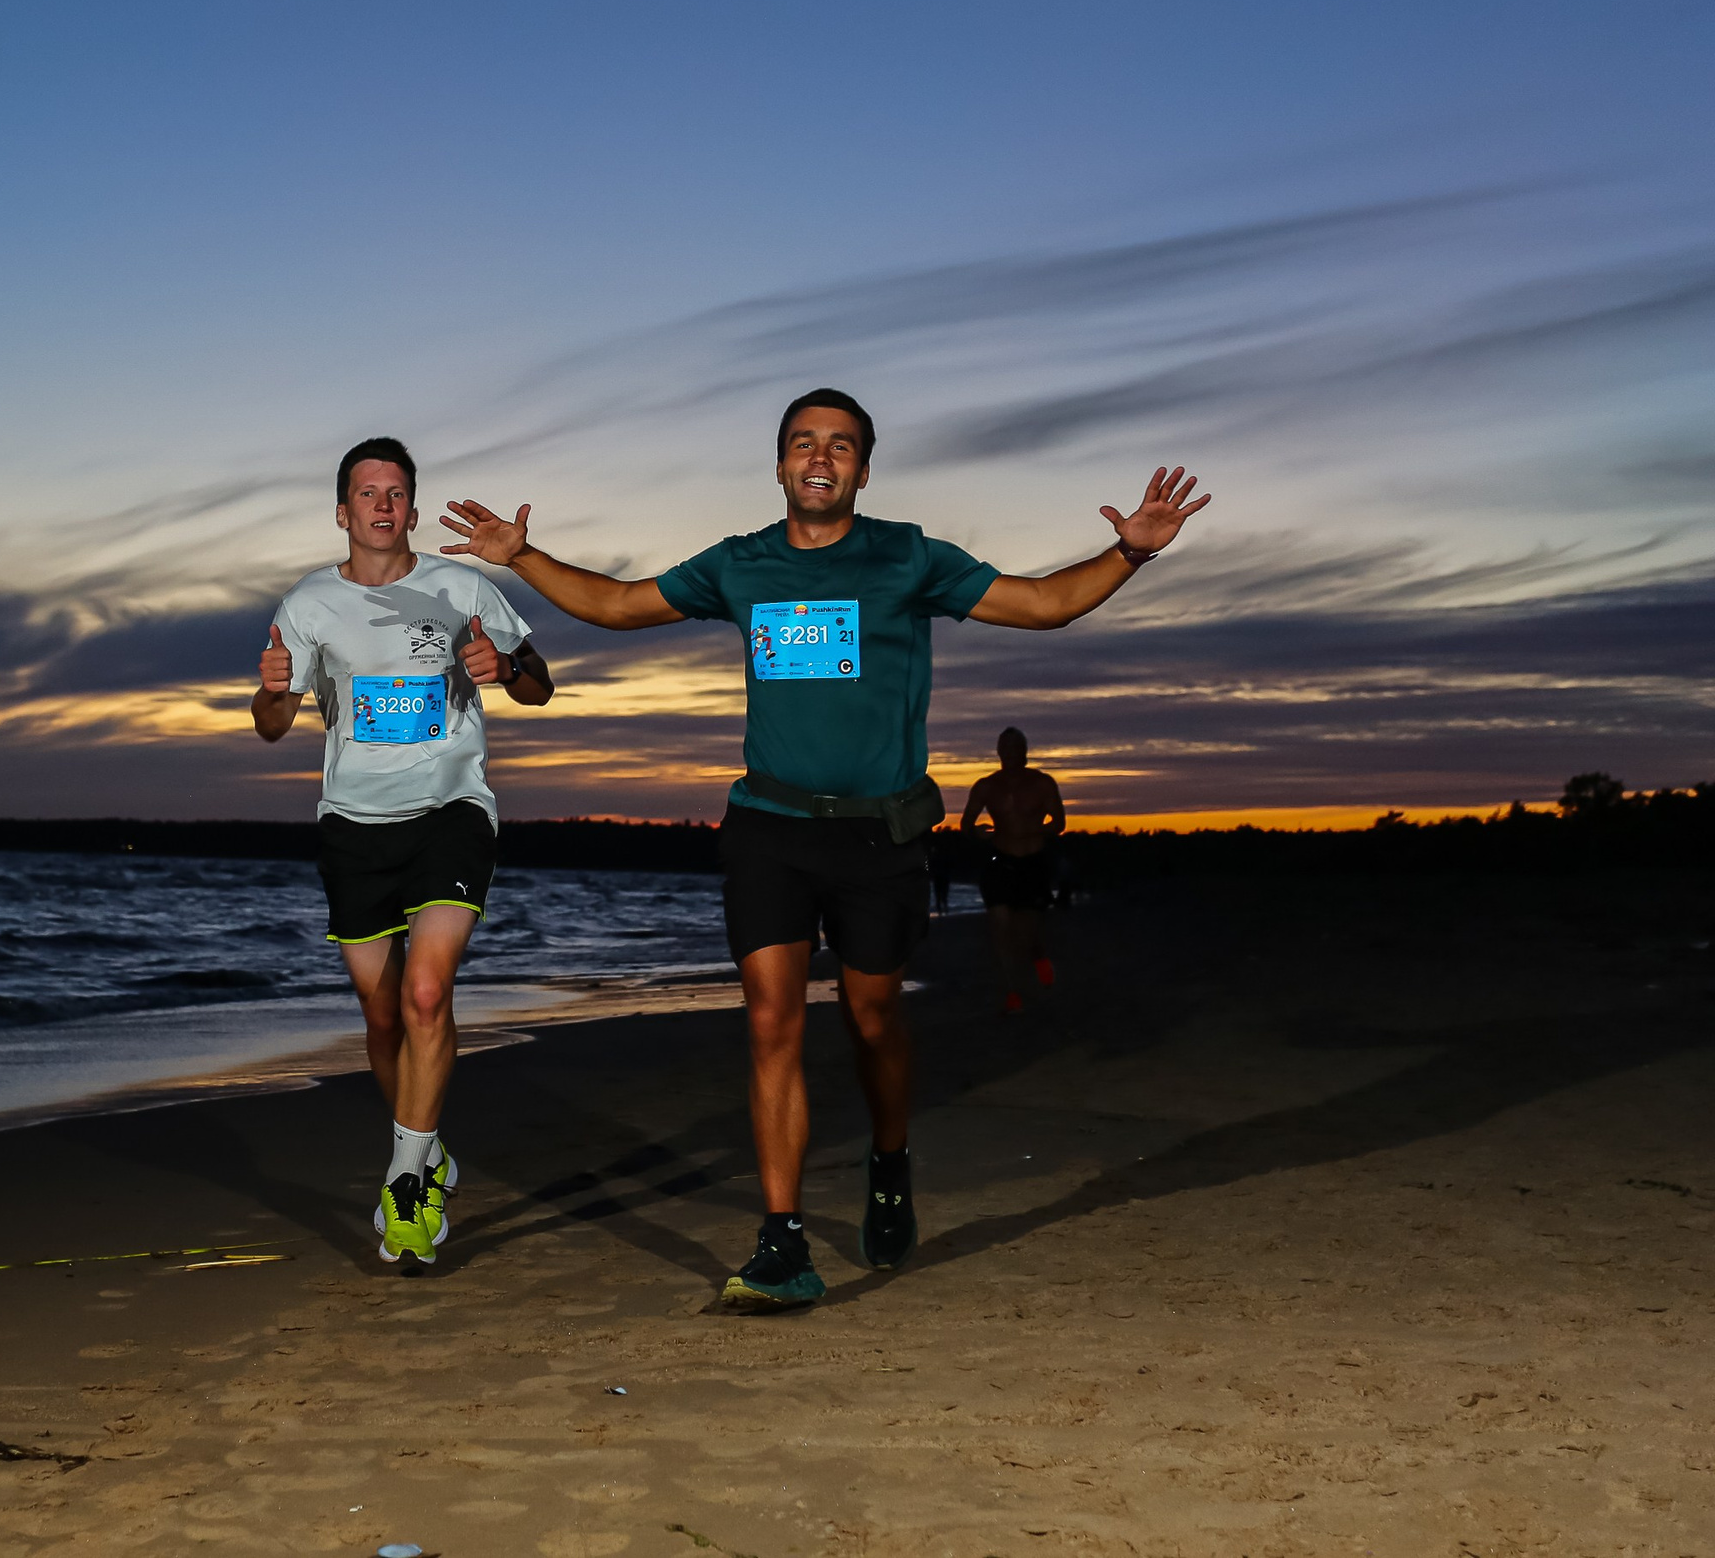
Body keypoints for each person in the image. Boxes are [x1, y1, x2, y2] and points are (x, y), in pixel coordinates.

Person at [440, 389, 1207, 1307]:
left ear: (863, 470)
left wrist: (1129, 552)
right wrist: (520, 553)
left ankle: (890, 1163)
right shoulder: (741, 564)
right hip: (769, 825)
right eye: (803, 441)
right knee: (773, 1021)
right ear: (778, 466)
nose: (820, 455)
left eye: (840, 444)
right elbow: (614, 603)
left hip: (880, 833)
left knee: (875, 1018)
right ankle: (782, 1241)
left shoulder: (908, 556)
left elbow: (1043, 605)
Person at [255, 437, 555, 1268]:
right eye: (367, 492)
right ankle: (426, 1148)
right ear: (343, 511)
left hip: (450, 809)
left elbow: (538, 682)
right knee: (384, 1015)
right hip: (352, 822)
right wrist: (274, 689)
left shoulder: (461, 587)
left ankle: (405, 1182)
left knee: (427, 992)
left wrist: (505, 666)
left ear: (412, 511)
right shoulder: (309, 604)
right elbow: (273, 722)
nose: (382, 505)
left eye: (396, 493)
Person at [960, 727, 1067, 1013]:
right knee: (1000, 926)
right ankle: (1012, 991)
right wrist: (977, 832)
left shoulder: (1042, 783)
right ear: (997, 751)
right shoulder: (986, 786)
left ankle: (1038, 955)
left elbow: (1059, 823)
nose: (1010, 751)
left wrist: (1038, 830)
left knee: (1026, 931)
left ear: (1025, 750)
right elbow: (966, 823)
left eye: (1015, 745)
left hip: (1032, 863)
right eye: (1005, 746)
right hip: (1000, 861)